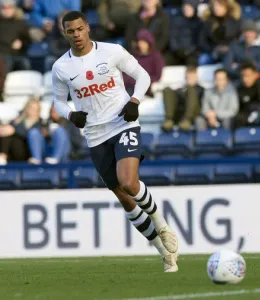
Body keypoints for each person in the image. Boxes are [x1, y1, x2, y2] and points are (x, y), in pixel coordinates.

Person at [52, 11, 178, 272]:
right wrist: (70, 114)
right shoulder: (61, 67)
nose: (76, 35)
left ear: (87, 28)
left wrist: (134, 101)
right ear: (65, 34)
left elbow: (143, 76)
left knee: (129, 182)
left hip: (123, 122)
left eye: (79, 29)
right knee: (124, 197)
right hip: (95, 135)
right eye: (70, 31)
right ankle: (164, 253)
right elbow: (57, 101)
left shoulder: (112, 51)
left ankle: (162, 224)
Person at [198, 0, 241, 65]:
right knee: (203, 59)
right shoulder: (208, 21)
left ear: (226, 7)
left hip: (230, 51)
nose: (217, 8)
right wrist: (213, 49)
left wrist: (229, 48)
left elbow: (238, 38)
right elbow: (202, 41)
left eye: (220, 6)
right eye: (215, 6)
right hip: (213, 51)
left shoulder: (234, 21)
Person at [162, 65, 204, 131]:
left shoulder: (201, 89)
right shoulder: (181, 89)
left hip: (193, 115)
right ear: (185, 77)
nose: (190, 79)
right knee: (167, 90)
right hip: (180, 113)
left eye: (192, 77)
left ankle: (187, 120)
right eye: (189, 77)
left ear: (196, 77)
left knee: (191, 90)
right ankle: (169, 119)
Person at [0, 98, 42, 165]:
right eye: (30, 107)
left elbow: (30, 135)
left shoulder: (39, 122)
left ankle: (2, 156)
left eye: (34, 109)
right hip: (13, 150)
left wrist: (14, 130)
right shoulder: (19, 119)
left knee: (9, 133)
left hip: (26, 151)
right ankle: (2, 157)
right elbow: (9, 128)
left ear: (38, 110)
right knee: (6, 132)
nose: (31, 110)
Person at [123, 29, 164, 97]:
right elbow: (125, 73)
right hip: (129, 86)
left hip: (146, 88)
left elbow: (157, 75)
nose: (140, 44)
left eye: (143, 42)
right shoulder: (133, 55)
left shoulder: (156, 56)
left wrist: (142, 80)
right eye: (139, 42)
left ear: (149, 42)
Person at [165, 0, 200, 66]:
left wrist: (190, 50)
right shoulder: (176, 20)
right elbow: (172, 36)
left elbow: (199, 40)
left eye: (189, 8)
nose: (186, 10)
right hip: (177, 51)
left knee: (192, 62)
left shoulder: (198, 22)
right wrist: (176, 49)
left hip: (192, 52)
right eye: (185, 7)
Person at [0, 0, 31, 72]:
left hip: (16, 54)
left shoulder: (21, 24)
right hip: (2, 55)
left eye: (9, 7)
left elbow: (28, 41)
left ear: (14, 9)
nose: (7, 10)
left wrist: (21, 43)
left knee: (22, 63)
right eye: (4, 8)